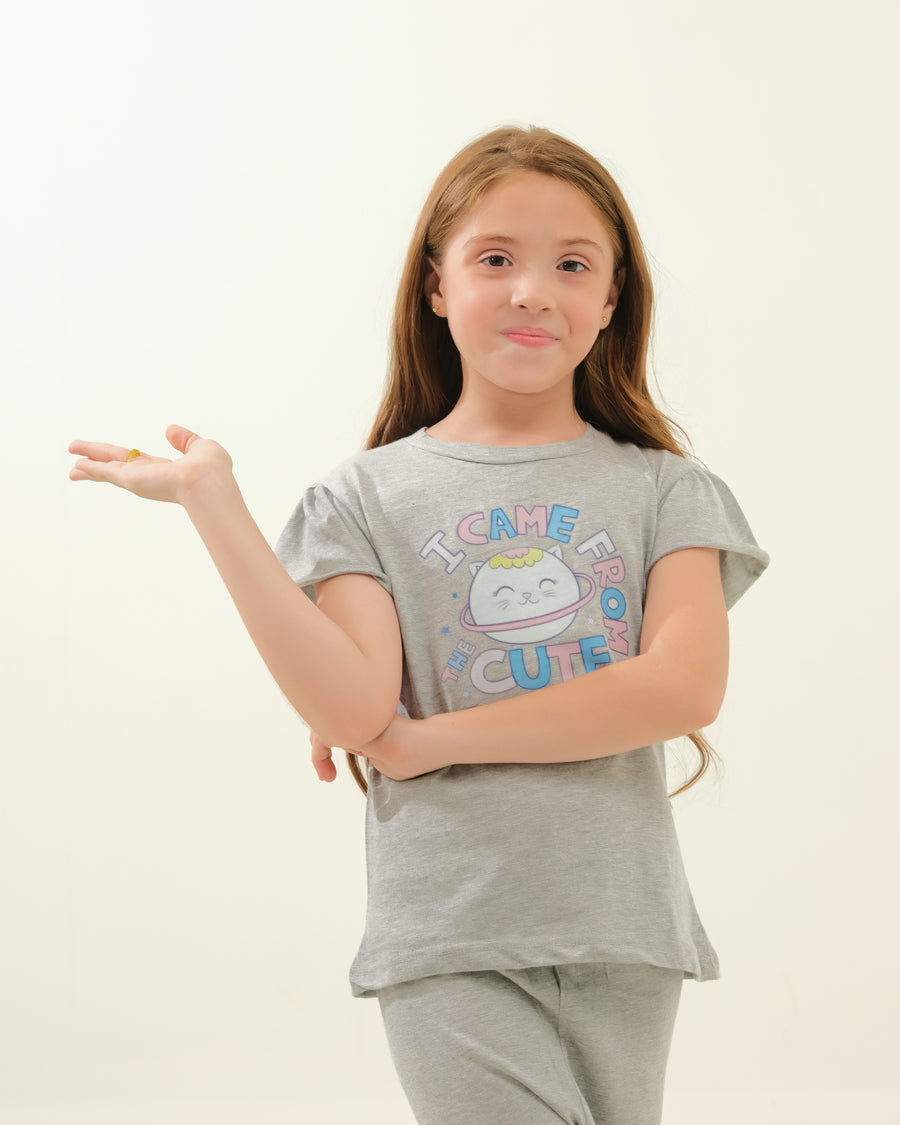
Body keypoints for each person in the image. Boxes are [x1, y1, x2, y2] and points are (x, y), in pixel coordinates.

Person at [69, 125, 768, 1125]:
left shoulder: (669, 491)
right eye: (496, 259)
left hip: (624, 932)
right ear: (436, 285)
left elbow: (681, 688)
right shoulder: (363, 499)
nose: (533, 292)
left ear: (613, 299)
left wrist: (431, 739)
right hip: (450, 935)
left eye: (573, 265)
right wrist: (212, 502)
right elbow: (356, 711)